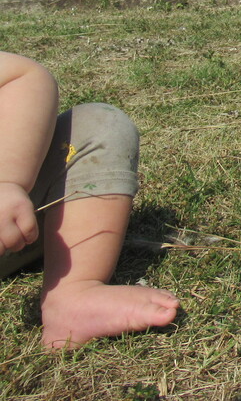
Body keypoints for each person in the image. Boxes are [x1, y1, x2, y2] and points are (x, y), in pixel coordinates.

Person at [0, 50, 179, 348]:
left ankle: (74, 293)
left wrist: (7, 181)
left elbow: (23, 76)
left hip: (15, 216)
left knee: (98, 123)